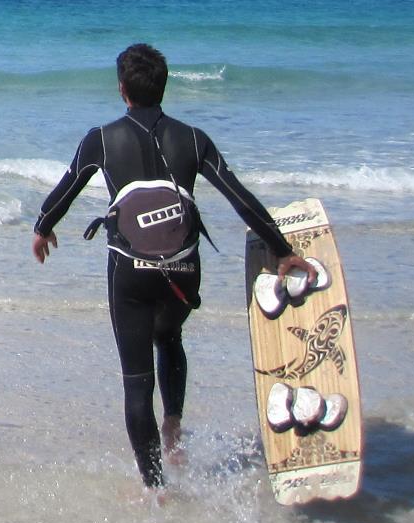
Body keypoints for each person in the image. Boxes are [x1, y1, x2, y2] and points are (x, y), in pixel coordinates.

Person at [31, 42, 305, 492]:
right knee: (170, 336)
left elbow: (65, 190)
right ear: (164, 86)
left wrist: (42, 229)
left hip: (130, 273)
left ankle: (156, 491)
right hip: (183, 272)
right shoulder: (194, 138)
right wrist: (282, 249)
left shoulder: (101, 139)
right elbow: (239, 198)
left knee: (137, 384)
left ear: (122, 89)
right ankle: (173, 427)